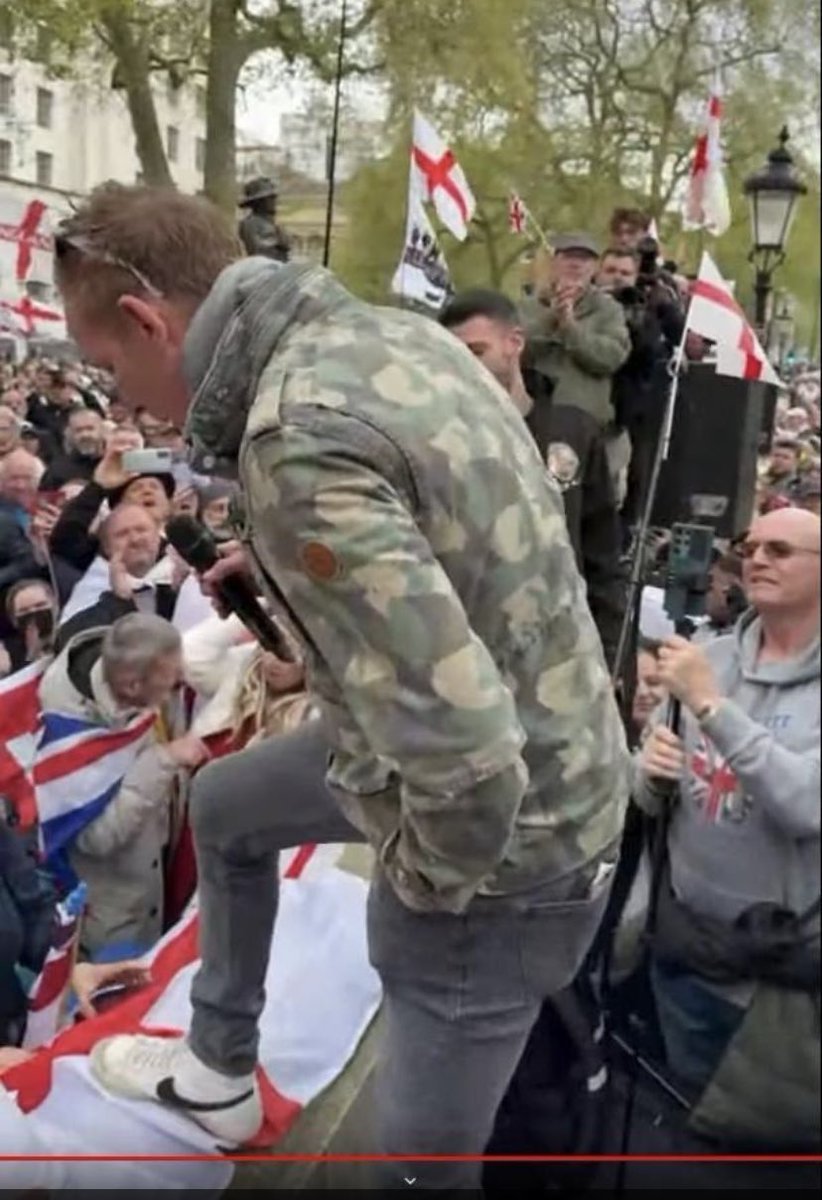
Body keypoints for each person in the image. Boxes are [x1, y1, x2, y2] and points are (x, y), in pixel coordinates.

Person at [53, 182, 628, 1183]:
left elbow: (467, 758)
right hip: (537, 753)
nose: (129, 405)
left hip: (503, 849)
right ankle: (220, 1069)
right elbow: (455, 552)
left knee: (413, 1172)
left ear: (148, 322)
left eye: (112, 367)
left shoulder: (293, 435)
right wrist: (275, 570)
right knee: (228, 805)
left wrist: (415, 901)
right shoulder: (397, 339)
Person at [636, 507, 819, 1125]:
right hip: (686, 952)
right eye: (752, 546)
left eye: (782, 550)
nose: (758, 558)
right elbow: (649, 798)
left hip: (779, 986)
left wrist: (710, 706)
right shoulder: (709, 656)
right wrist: (649, 770)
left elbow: (805, 804)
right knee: (685, 1128)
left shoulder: (701, 679)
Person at [439, 288, 625, 668]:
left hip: (562, 653)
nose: (463, 366)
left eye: (476, 352)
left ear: (514, 344)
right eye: (452, 355)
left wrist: (610, 656)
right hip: (473, 655)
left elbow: (601, 555)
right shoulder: (441, 440)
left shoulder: (572, 431)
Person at [39, 612, 198, 955]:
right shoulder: (69, 733)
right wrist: (162, 761)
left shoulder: (150, 676)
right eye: (172, 681)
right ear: (131, 687)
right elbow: (95, 838)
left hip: (158, 876)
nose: (180, 683)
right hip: (115, 915)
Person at [521, 232, 631, 498]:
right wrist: (552, 317)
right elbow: (515, 346)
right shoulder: (529, 305)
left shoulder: (608, 311)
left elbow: (611, 357)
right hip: (533, 420)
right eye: (569, 257)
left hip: (585, 426)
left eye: (585, 259)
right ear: (555, 261)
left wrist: (571, 328)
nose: (576, 264)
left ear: (593, 268)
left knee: (579, 500)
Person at [56, 503, 177, 643]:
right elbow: (66, 640)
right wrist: (118, 600)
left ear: (158, 537)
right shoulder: (94, 584)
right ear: (107, 548)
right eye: (122, 534)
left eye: (142, 530)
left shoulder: (178, 571)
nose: (135, 540)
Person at [39, 407, 105, 491]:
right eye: (78, 430)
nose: (85, 435)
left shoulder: (124, 457)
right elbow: (43, 501)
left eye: (90, 429)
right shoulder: (58, 469)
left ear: (102, 430)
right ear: (70, 434)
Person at [4, 578, 58, 672]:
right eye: (24, 611)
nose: (33, 612)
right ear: (14, 619)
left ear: (55, 605)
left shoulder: (72, 635)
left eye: (40, 605)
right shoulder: (10, 655)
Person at [237, 176, 291, 263]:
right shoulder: (249, 223)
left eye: (274, 198)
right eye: (270, 198)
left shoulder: (273, 223)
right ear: (258, 202)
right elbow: (257, 251)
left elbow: (287, 246)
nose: (274, 202)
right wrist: (278, 243)